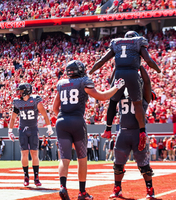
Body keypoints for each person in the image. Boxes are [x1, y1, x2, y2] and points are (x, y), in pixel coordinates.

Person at [53, 60, 124, 200]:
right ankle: (82, 192)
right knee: (82, 159)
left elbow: (55, 108)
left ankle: (62, 186)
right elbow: (103, 97)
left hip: (61, 121)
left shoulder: (61, 84)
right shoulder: (84, 81)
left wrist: (64, 120)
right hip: (77, 121)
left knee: (64, 158)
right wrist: (116, 87)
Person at [89, 31, 161, 153]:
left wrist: (91, 71)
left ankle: (108, 129)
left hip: (119, 74)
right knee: (138, 103)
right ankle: (142, 131)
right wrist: (158, 70)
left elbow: (102, 60)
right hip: (132, 74)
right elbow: (148, 61)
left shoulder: (117, 43)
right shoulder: (138, 43)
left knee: (112, 101)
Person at [109, 64, 160, 200]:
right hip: (123, 131)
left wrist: (137, 64)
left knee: (144, 165)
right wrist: (119, 67)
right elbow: (112, 82)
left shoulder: (145, 94)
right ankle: (117, 188)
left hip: (138, 132)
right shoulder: (121, 92)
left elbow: (147, 82)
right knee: (117, 165)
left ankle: (150, 189)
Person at [8, 83, 53, 187]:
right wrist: (10, 131)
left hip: (33, 129)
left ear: (27, 91)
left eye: (21, 91)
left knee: (34, 153)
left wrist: (49, 127)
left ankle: (36, 177)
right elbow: (13, 118)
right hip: (22, 129)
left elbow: (45, 114)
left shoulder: (36, 100)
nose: (19, 93)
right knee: (24, 153)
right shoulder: (18, 102)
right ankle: (26, 176)